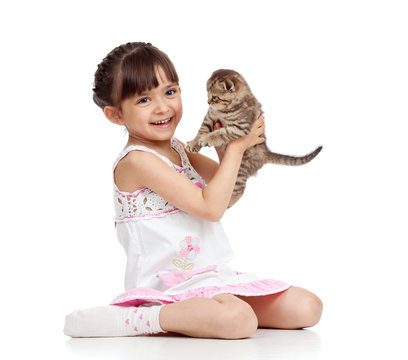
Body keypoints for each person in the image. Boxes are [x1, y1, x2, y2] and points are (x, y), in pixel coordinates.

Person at [64, 42, 322, 339]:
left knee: (307, 307)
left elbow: (228, 196)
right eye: (144, 99)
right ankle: (142, 316)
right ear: (116, 115)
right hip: (167, 286)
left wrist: (230, 139)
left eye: (170, 92)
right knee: (238, 321)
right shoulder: (137, 161)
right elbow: (210, 209)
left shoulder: (179, 150)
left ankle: (212, 309)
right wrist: (238, 147)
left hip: (209, 277)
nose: (163, 107)